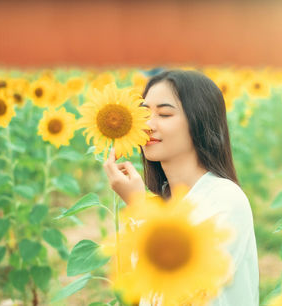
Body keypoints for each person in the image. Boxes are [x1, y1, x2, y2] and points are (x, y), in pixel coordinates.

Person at [103, 69, 259, 305]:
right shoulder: (161, 204)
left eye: (164, 114)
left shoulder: (226, 199)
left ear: (199, 121)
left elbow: (187, 294)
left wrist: (138, 207)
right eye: (144, 114)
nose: (148, 125)